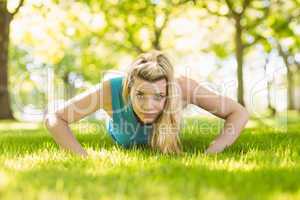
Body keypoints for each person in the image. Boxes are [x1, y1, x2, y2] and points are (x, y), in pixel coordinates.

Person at [44, 50, 249, 157]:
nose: (148, 105)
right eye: (140, 95)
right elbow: (55, 118)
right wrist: (82, 158)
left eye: (159, 97)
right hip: (117, 131)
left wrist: (216, 148)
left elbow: (238, 112)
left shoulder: (181, 87)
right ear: (129, 88)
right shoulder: (112, 88)